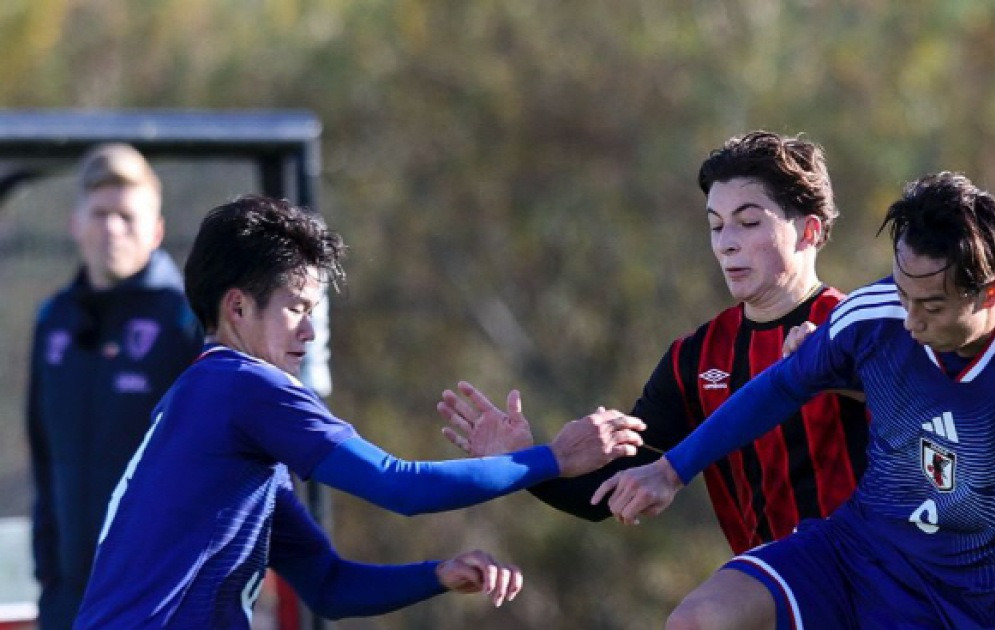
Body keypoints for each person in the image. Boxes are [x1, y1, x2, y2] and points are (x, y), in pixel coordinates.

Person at [594, 172, 995, 629]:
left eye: (931, 305)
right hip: (849, 558)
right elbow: (781, 385)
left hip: (956, 611)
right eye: (903, 291)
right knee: (698, 620)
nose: (909, 319)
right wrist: (673, 469)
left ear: (991, 294)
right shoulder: (874, 313)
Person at [73, 195, 646, 628]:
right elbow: (400, 485)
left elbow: (327, 585)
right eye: (297, 308)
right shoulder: (245, 386)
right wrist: (553, 459)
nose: (309, 331)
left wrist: (437, 576)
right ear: (238, 308)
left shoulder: (213, 404)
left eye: (314, 311)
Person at [439, 131, 869, 555]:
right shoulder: (695, 358)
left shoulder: (862, 328)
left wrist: (840, 372)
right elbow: (609, 493)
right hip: (770, 584)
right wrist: (519, 463)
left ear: (809, 231)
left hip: (876, 575)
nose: (726, 244)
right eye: (716, 226)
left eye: (749, 222)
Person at [25, 143, 205, 629]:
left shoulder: (188, 323)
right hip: (69, 601)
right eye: (100, 214)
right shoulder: (53, 320)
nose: (112, 229)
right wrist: (50, 579)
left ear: (157, 230)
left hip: (159, 600)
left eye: (127, 216)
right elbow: (43, 457)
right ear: (75, 223)